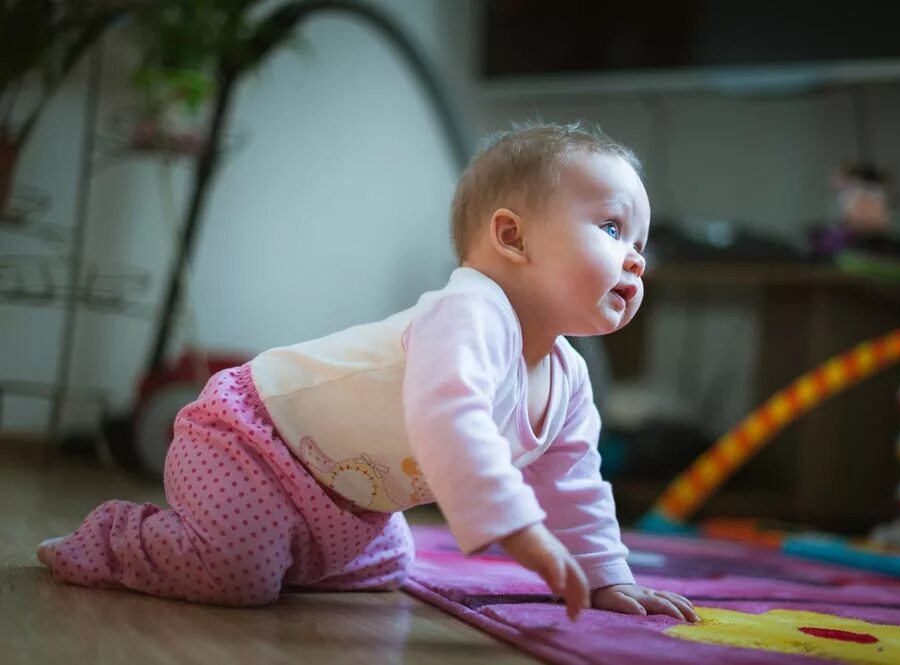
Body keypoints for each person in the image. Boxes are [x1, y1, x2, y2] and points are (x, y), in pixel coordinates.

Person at [37, 121, 698, 623]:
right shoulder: (468, 312)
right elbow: (452, 422)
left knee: (397, 564)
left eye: (641, 244)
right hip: (249, 441)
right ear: (511, 236)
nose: (635, 260)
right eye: (612, 228)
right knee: (237, 580)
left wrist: (605, 575)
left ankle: (279, 545)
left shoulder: (567, 378)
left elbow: (574, 480)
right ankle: (120, 537)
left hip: (348, 504)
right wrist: (518, 529)